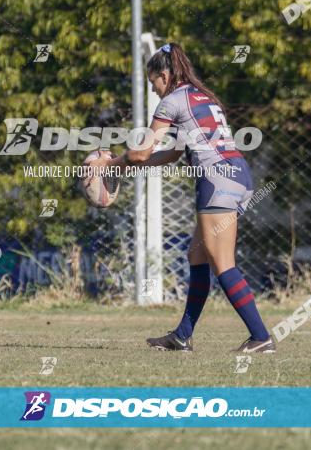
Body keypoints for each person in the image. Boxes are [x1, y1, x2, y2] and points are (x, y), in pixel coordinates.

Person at [92, 42, 274, 353]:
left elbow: (139, 152)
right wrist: (127, 168)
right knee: (198, 256)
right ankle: (182, 336)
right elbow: (172, 154)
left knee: (223, 263)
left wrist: (110, 165)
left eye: (153, 83)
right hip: (236, 175)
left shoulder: (172, 101)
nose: (154, 90)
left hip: (217, 178)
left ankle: (261, 337)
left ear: (164, 75)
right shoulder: (200, 96)